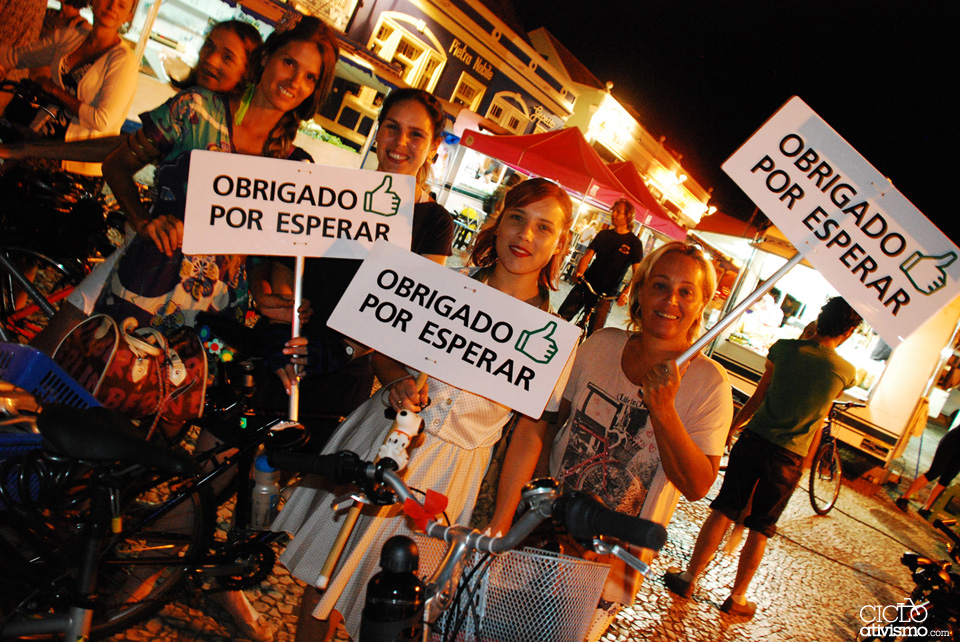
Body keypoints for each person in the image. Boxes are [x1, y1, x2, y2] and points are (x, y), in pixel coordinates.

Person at [272, 178, 575, 642]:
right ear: (498, 223)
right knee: (327, 577)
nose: (525, 236)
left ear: (561, 244)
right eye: (517, 217)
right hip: (383, 438)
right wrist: (394, 379)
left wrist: (503, 519)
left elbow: (531, 433)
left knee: (397, 610)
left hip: (450, 472)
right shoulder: (442, 283)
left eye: (543, 227)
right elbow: (381, 348)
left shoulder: (552, 339)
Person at [27, 19, 263, 355]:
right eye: (209, 47)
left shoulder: (239, 127)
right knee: (72, 344)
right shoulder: (194, 109)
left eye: (227, 56)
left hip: (190, 285)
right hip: (150, 263)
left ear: (249, 72)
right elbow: (122, 151)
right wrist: (33, 149)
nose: (210, 60)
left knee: (80, 350)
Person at [94, 15, 337, 332]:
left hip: (215, 320)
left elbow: (258, 256)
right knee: (103, 377)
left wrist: (265, 297)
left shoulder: (295, 168)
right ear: (265, 58)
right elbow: (117, 164)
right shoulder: (195, 110)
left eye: (309, 77)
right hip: (143, 291)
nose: (294, 81)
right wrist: (142, 220)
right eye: (289, 63)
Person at [541, 241, 732, 611]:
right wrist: (537, 504)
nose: (669, 300)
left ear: (701, 305)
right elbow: (551, 426)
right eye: (659, 285)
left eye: (686, 292)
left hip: (607, 567)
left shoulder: (710, 385)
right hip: (544, 531)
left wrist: (663, 410)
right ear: (640, 290)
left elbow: (696, 485)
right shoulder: (600, 345)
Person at [664, 296, 862, 617]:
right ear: (849, 331)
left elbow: (758, 397)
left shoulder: (783, 349)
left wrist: (733, 426)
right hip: (790, 457)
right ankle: (737, 598)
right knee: (762, 527)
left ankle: (688, 578)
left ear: (819, 320)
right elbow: (820, 415)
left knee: (724, 508)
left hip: (753, 440)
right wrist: (807, 461)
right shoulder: (845, 372)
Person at [279, 88, 456, 416]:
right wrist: (282, 311)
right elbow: (285, 263)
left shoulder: (435, 221)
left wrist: (344, 350)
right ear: (378, 132)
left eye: (416, 134)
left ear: (434, 146)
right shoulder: (335, 194)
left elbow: (411, 309)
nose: (400, 142)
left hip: (347, 372)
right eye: (392, 127)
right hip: (288, 349)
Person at [0, 0, 140, 176]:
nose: (112, 7)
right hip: (38, 141)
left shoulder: (124, 60)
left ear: (129, 17)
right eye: (108, 0)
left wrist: (55, 91)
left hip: (74, 163)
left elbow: (102, 120)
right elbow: (18, 57)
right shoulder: (72, 36)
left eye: (121, 5)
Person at [558, 198, 643, 335]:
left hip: (607, 295)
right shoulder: (604, 235)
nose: (614, 214)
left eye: (618, 212)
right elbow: (588, 255)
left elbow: (637, 272)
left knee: (595, 335)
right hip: (587, 284)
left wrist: (626, 292)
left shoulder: (634, 243)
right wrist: (579, 273)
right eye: (613, 211)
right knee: (560, 318)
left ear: (628, 216)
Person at [896, 426, 960, 518]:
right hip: (951, 443)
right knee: (935, 472)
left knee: (947, 479)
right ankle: (904, 498)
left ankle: (926, 509)